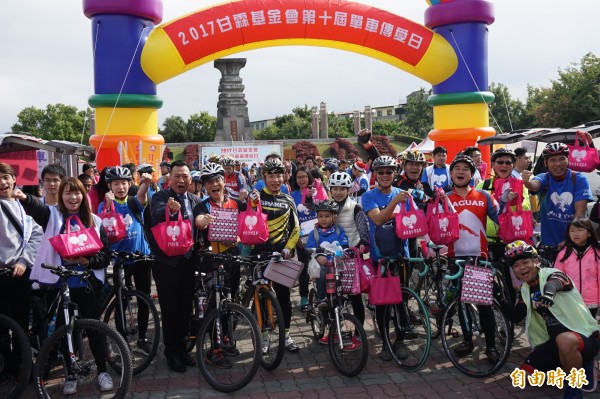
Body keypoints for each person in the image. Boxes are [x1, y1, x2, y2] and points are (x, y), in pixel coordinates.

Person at [15, 177, 114, 394]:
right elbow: (38, 209)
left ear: (84, 196)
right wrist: (24, 197)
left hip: (89, 284)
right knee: (64, 332)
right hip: (62, 286)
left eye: (77, 192)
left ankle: (102, 370)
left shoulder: (95, 221)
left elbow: (106, 255)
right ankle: (71, 373)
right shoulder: (54, 217)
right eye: (68, 193)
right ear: (61, 196)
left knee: (95, 330)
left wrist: (88, 262)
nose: (73, 197)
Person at [502, 240, 599, 399]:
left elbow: (556, 283)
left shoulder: (552, 273)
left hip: (586, 336)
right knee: (525, 375)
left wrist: (548, 294)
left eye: (526, 262)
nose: (522, 268)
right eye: (516, 266)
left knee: (564, 340)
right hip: (554, 343)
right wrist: (497, 295)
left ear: (537, 261)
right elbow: (515, 316)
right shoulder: (525, 290)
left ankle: (574, 390)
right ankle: (577, 364)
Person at [446, 155, 507, 364]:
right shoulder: (444, 198)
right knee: (461, 302)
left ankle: (490, 346)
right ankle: (467, 340)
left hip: (478, 256)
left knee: (484, 304)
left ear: (472, 174)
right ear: (451, 173)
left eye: (465, 169)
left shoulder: (483, 196)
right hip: (454, 257)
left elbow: (500, 218)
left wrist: (506, 203)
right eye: (457, 168)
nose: (461, 172)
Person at [148, 160, 201, 373]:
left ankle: (183, 349)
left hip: (188, 262)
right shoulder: (160, 198)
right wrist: (170, 212)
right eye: (177, 176)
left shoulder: (195, 200)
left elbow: (202, 226)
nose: (181, 180)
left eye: (185, 177)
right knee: (170, 309)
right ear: (169, 179)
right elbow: (157, 215)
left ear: (190, 179)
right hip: (166, 264)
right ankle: (171, 353)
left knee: (186, 309)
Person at [97, 166, 154, 354]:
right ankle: (121, 338)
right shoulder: (103, 204)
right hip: (119, 260)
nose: (120, 187)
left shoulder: (133, 200)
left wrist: (145, 183)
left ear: (129, 184)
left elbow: (142, 196)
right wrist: (107, 205)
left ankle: (143, 336)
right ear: (109, 186)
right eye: (116, 184)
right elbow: (101, 228)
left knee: (144, 297)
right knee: (121, 299)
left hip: (141, 257)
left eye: (123, 183)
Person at [194, 162, 246, 368]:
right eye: (209, 182)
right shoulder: (203, 205)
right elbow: (198, 220)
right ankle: (213, 351)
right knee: (215, 306)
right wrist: (202, 221)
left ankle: (225, 338)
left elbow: (243, 225)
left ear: (224, 182)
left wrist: (238, 238)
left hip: (232, 257)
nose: (214, 184)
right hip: (212, 261)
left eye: (217, 180)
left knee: (229, 302)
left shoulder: (234, 203)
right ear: (205, 186)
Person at [361, 155, 410, 360]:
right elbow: (378, 219)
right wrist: (395, 205)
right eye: (380, 172)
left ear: (395, 174)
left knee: (401, 300)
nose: (384, 175)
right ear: (375, 175)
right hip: (379, 257)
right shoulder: (368, 196)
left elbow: (412, 222)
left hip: (401, 254)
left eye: (389, 172)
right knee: (382, 303)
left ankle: (399, 340)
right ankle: (385, 342)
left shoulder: (404, 194)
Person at [249, 158, 301, 353]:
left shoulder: (288, 199)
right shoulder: (257, 197)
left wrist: (288, 248)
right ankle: (263, 338)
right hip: (259, 255)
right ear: (264, 177)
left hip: (281, 255)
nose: (275, 180)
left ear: (284, 176)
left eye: (279, 175)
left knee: (284, 299)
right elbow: (250, 220)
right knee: (261, 299)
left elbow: (295, 228)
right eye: (271, 176)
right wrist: (252, 204)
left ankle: (286, 335)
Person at [0, 163, 42, 382]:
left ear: (14, 179)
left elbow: (37, 235)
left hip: (19, 275)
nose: (2, 182)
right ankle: (7, 366)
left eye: (6, 177)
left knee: (20, 324)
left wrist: (24, 261)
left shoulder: (24, 205)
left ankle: (21, 366)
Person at [522, 142, 593, 263]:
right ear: (545, 163)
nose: (558, 164)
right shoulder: (544, 178)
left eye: (562, 159)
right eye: (553, 160)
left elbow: (580, 213)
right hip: (549, 246)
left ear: (568, 160)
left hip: (575, 244)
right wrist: (526, 182)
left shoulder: (579, 179)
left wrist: (568, 241)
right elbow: (534, 186)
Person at [476, 147, 531, 302]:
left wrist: (515, 201)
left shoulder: (519, 185)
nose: (504, 166)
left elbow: (526, 210)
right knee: (484, 287)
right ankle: (490, 319)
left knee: (512, 284)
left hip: (511, 242)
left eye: (508, 162)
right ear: (493, 164)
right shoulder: (483, 186)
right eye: (500, 162)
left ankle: (512, 316)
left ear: (513, 165)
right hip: (487, 242)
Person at [328, 171, 369, 330]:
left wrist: (361, 245)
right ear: (330, 190)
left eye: (342, 189)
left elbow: (363, 230)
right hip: (331, 258)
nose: (338, 192)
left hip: (350, 258)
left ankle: (358, 331)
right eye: (335, 189)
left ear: (348, 190)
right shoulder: (327, 206)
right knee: (331, 295)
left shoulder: (355, 208)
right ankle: (333, 330)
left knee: (355, 296)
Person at [554, 217, 600, 317]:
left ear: (589, 233)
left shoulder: (597, 254)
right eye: (572, 231)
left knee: (589, 329)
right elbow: (557, 276)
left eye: (580, 230)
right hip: (569, 299)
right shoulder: (563, 254)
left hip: (591, 300)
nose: (575, 233)